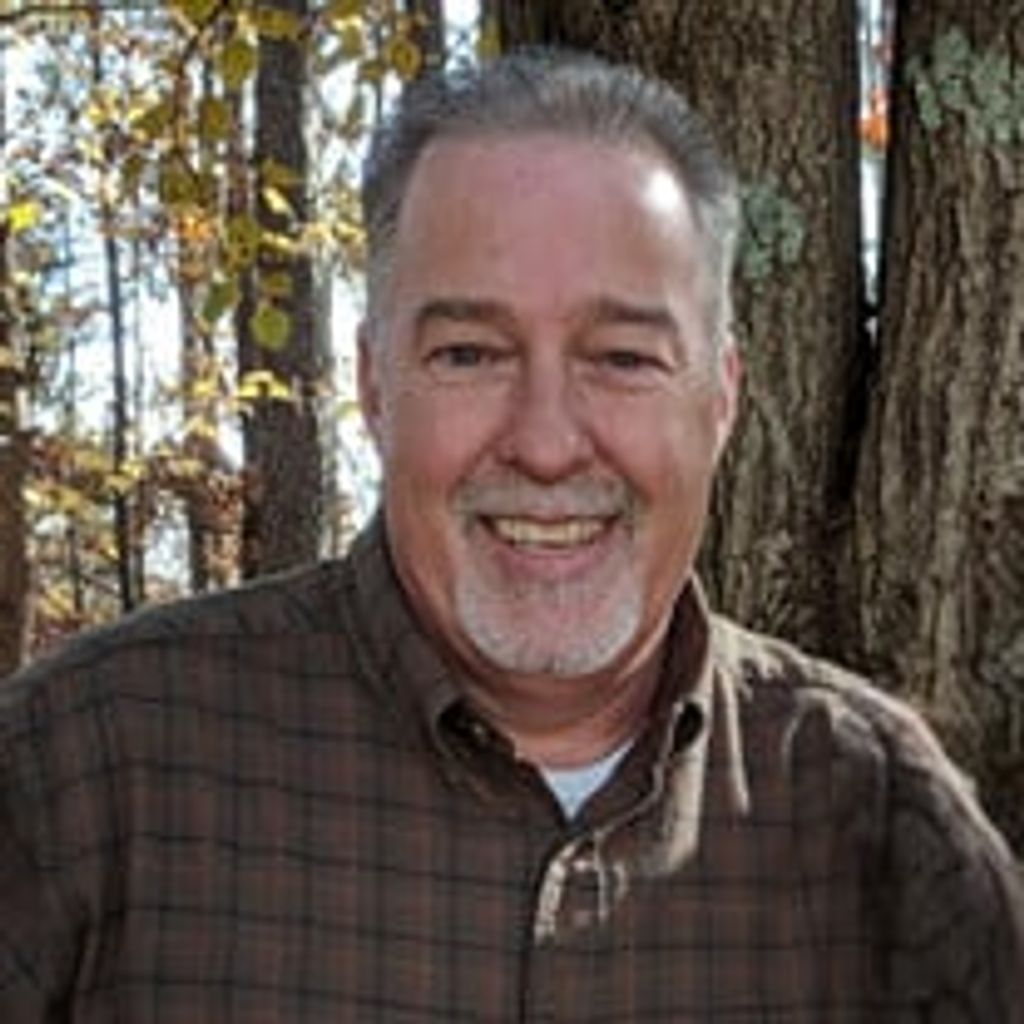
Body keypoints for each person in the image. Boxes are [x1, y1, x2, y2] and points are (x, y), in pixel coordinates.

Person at [1, 49, 1022, 1023]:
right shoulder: (83, 774)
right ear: (372, 385)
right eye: (469, 353)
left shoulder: (884, 818)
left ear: (720, 398)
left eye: (622, 358)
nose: (544, 443)